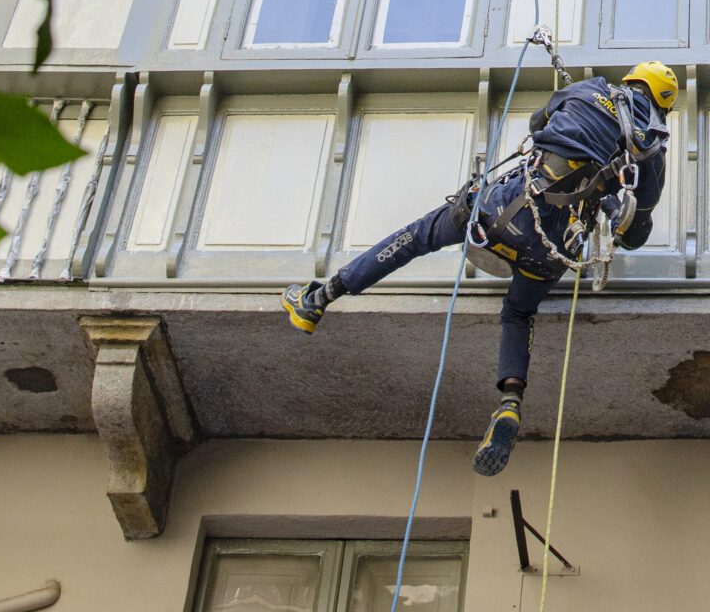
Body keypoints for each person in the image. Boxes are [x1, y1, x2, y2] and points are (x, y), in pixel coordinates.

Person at [284, 61, 676, 476]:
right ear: (662, 108)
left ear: (631, 81)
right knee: (518, 313)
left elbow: (538, 121)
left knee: (420, 236)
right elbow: (636, 235)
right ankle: (509, 404)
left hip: (504, 211)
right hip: (555, 248)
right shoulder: (651, 147)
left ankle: (318, 299)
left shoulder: (589, 88)